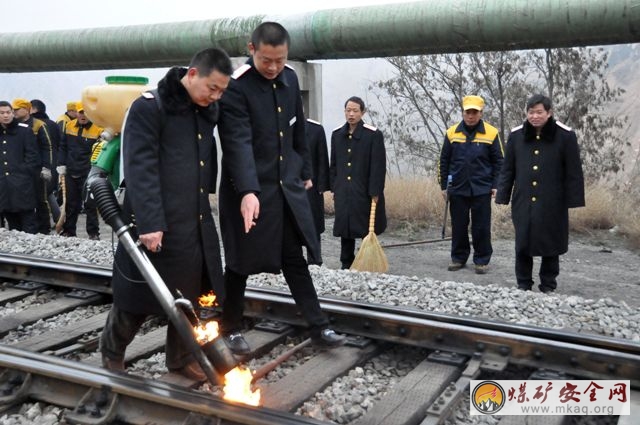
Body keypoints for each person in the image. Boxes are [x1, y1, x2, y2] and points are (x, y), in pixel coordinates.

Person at [99, 47, 232, 380]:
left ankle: (179, 358)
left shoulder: (204, 110)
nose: (215, 96)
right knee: (139, 295)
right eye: (211, 88)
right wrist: (150, 222)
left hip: (194, 220)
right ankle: (112, 351)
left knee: (187, 294)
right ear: (192, 75)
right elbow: (140, 167)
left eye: (221, 91)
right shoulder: (150, 106)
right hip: (156, 220)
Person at [217, 22, 345, 355]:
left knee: (293, 257)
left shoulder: (289, 79)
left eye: (280, 59)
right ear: (251, 50)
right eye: (266, 61)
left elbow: (297, 129)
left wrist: (303, 170)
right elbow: (237, 143)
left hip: (285, 189)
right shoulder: (236, 87)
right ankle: (229, 328)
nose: (273, 67)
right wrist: (247, 190)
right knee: (239, 262)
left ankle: (319, 326)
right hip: (247, 191)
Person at [496, 94, 585, 293]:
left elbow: (573, 170)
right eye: (531, 112)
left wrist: (574, 200)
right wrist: (503, 194)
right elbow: (508, 169)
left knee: (551, 243)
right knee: (522, 243)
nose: (534, 116)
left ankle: (548, 285)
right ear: (526, 113)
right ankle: (523, 284)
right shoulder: (517, 136)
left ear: (549, 113)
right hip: (523, 200)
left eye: (539, 112)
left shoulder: (565, 136)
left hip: (553, 202)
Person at [438, 95, 504, 274]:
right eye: (468, 112)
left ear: (481, 113)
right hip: (457, 188)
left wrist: (496, 185)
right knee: (459, 225)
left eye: (475, 112)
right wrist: (444, 186)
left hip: (482, 188)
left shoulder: (491, 133)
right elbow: (443, 161)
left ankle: (481, 260)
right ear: (463, 112)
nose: (471, 115)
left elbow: (499, 162)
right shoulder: (452, 133)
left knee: (481, 226)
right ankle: (458, 258)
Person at [329, 96, 386, 270]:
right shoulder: (337, 134)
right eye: (348, 110)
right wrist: (335, 187)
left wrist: (375, 191)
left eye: (355, 111)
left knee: (364, 226)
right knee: (345, 226)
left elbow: (378, 165)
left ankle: (364, 261)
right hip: (344, 190)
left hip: (364, 190)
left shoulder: (373, 135)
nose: (351, 114)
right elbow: (335, 165)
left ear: (363, 112)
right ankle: (346, 261)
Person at [57, 102, 103, 239]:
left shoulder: (98, 129)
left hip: (88, 172)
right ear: (76, 113)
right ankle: (69, 231)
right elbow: (63, 146)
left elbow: (100, 151)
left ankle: (93, 233)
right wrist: (61, 164)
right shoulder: (69, 126)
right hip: (71, 170)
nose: (83, 116)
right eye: (80, 112)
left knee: (90, 204)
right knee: (71, 204)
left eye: (86, 112)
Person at [12, 99, 55, 235]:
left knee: (41, 198)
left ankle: (44, 229)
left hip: (37, 169)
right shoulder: (14, 125)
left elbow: (47, 147)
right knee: (22, 198)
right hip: (20, 169)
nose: (14, 112)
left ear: (27, 109)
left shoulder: (39, 125)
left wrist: (46, 167)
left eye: (17, 109)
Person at [0, 101, 39, 232]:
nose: (5, 115)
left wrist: (24, 173)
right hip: (3, 185)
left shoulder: (24, 131)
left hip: (22, 183)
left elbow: (33, 157)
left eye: (8, 112)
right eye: (2, 113)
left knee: (28, 221)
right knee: (12, 222)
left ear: (12, 113)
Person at [31, 99, 63, 232]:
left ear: (34, 109)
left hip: (41, 164)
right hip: (53, 162)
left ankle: (52, 222)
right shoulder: (53, 124)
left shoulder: (35, 125)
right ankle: (59, 219)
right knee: (48, 192)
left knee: (43, 194)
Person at [305, 118, 330, 266]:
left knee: (312, 223)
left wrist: (322, 186)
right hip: (287, 184)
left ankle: (314, 259)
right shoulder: (280, 127)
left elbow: (322, 158)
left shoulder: (315, 130)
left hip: (311, 186)